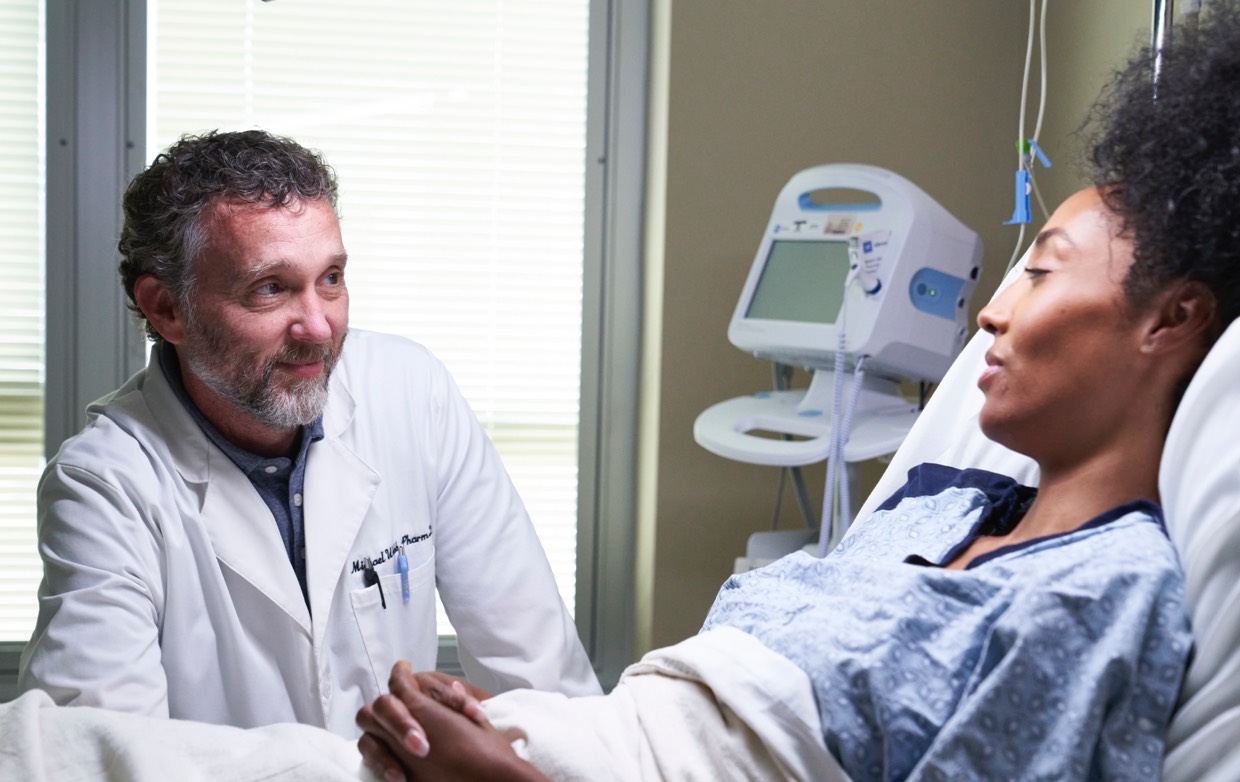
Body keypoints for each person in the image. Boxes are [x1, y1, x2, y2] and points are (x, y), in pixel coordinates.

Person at [354, 4, 1240, 780]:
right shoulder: (944, 499)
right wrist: (516, 728)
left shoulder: (1099, 596)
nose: (990, 317)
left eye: (1041, 271)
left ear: (1172, 319)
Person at [18, 129, 600, 737]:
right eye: (271, 288)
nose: (320, 328)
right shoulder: (104, 484)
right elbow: (100, 754)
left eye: (331, 278)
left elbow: (542, 676)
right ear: (168, 309)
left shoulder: (410, 390)